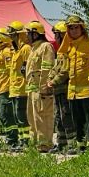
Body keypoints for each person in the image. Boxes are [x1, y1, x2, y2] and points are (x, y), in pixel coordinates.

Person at [64, 17, 89, 151]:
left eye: (76, 27)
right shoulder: (69, 47)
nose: (74, 30)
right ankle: (81, 146)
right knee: (77, 122)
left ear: (82, 28)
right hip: (73, 93)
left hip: (88, 91)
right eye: (71, 28)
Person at [24, 20, 57, 151]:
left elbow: (47, 68)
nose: (27, 36)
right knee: (33, 118)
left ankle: (45, 143)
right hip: (32, 90)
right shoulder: (33, 49)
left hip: (41, 89)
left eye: (29, 33)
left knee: (43, 117)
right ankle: (35, 142)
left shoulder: (46, 47)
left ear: (36, 34)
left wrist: (45, 87)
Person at [0, 28, 17, 148]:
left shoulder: (7, 52)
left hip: (5, 89)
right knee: (3, 115)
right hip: (0, 89)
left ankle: (12, 139)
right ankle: (10, 138)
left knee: (6, 115)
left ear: (2, 39)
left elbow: (10, 71)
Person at [9, 21, 32, 149]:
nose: (11, 37)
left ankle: (26, 142)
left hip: (22, 89)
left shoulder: (25, 49)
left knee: (23, 117)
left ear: (19, 35)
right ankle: (22, 140)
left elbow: (27, 66)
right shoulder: (16, 51)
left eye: (13, 35)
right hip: (15, 89)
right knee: (18, 117)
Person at [51, 21, 72, 149]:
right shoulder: (59, 52)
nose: (55, 38)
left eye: (57, 35)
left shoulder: (68, 51)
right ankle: (61, 143)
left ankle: (71, 143)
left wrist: (54, 81)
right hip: (57, 91)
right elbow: (55, 69)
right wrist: (50, 77)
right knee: (58, 117)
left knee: (67, 116)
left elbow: (65, 70)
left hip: (65, 90)